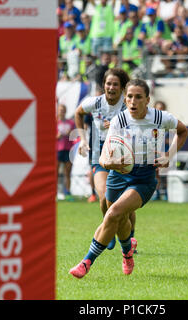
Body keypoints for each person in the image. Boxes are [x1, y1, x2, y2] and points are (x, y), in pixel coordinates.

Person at [69, 79, 188, 278]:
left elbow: (182, 131)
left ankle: (86, 262)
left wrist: (169, 155)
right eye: (130, 97)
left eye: (138, 97)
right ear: (125, 99)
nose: (133, 101)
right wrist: (111, 164)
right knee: (119, 218)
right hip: (118, 175)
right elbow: (104, 157)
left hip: (144, 178)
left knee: (114, 213)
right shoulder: (119, 120)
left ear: (147, 100)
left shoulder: (160, 117)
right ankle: (127, 253)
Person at [75, 68, 133, 251]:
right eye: (108, 83)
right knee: (104, 198)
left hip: (124, 155)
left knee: (126, 204)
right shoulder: (95, 102)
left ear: (122, 88)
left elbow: (139, 126)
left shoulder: (128, 105)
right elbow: (78, 113)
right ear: (103, 86)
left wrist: (120, 126)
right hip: (100, 156)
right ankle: (109, 229)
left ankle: (130, 238)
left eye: (116, 84)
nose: (111, 87)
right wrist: (83, 139)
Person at [57, 104, 76, 201]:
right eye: (60, 110)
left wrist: (70, 134)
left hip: (68, 150)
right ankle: (55, 193)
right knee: (55, 173)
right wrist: (57, 136)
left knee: (67, 173)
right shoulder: (55, 122)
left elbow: (75, 136)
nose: (61, 111)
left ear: (65, 111)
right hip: (57, 150)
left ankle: (67, 193)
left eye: (63, 110)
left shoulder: (71, 123)